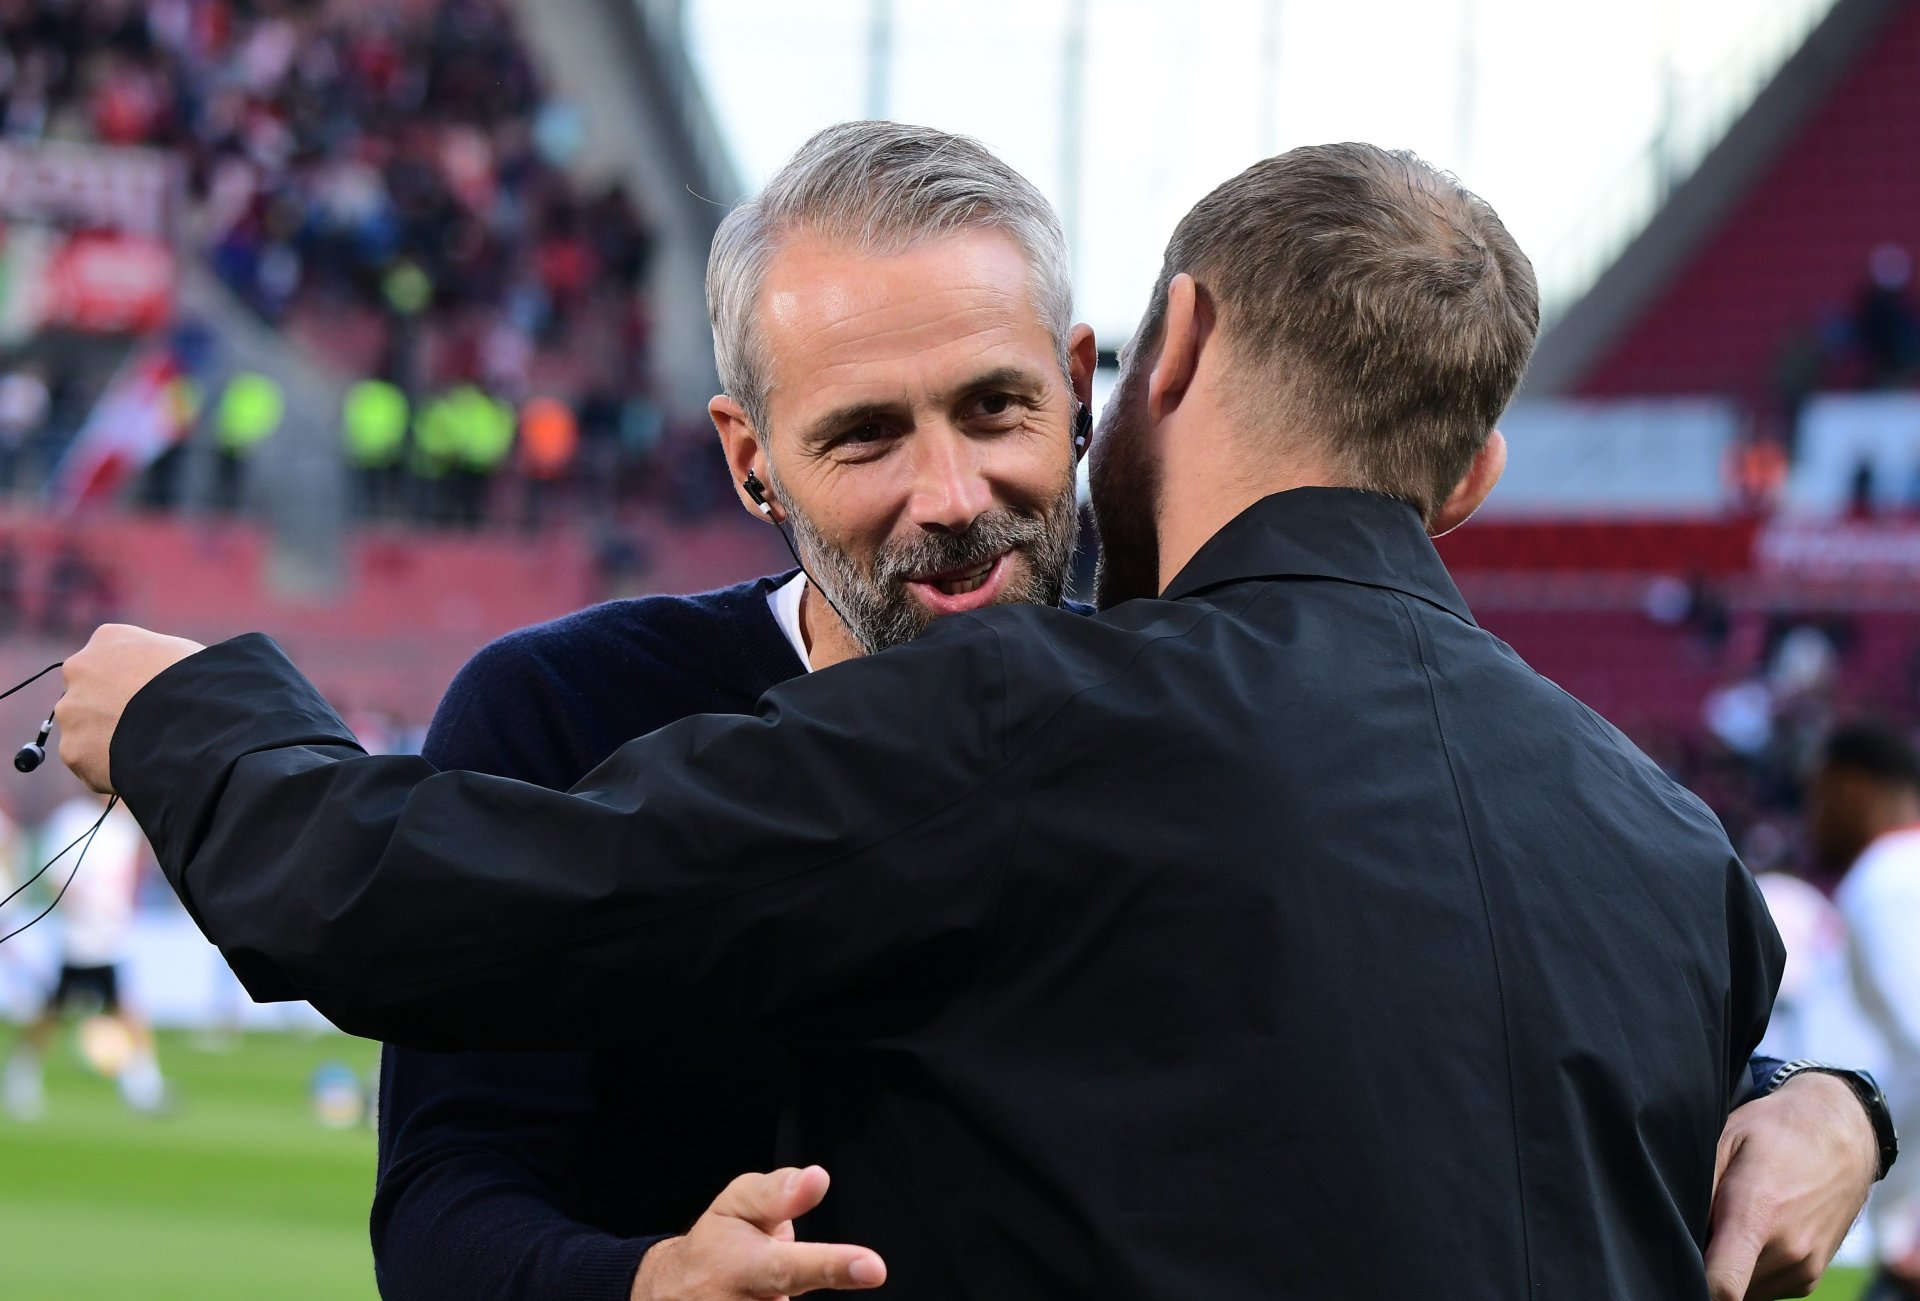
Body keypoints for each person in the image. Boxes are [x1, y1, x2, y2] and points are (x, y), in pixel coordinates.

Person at [59, 139, 1891, 1298]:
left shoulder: (1105, 710)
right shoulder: (568, 700)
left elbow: (1424, 1018)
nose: (952, 492)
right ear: (746, 456)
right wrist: (625, 1284)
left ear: (1110, 377)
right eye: (865, 434)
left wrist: (1824, 1097)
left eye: (1000, 408)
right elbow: (448, 1201)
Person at [1811, 723, 1920, 1299]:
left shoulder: (1884, 880)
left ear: (1851, 787)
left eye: (1817, 794)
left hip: (1884, 1233)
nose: (1812, 815)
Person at [3, 793, 168, 1120]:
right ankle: (20, 1077)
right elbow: (58, 878)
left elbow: (128, 877)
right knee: (55, 1012)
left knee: (124, 1008)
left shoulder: (125, 824)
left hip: (112, 937)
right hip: (79, 938)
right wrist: (82, 910)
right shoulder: (71, 820)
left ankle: (143, 1084)